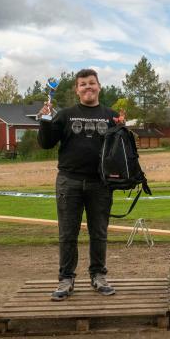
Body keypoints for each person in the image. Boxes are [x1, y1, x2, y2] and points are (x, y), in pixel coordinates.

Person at [37, 69, 119, 300]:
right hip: (69, 182)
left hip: (100, 184)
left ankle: (98, 276)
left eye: (92, 83)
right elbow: (45, 143)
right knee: (67, 234)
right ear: (77, 89)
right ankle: (66, 279)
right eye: (83, 84)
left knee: (99, 233)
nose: (88, 87)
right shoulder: (64, 115)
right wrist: (44, 120)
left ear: (99, 86)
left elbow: (121, 151)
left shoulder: (111, 116)